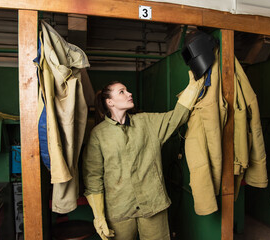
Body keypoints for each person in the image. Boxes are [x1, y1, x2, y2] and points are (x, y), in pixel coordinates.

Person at [83, 71, 204, 240]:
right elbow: (93, 178)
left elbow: (176, 118)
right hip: (119, 209)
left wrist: (194, 86)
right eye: (122, 92)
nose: (129, 93)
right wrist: (99, 216)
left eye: (127, 90)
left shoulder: (146, 122)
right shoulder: (98, 134)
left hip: (153, 204)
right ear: (110, 102)